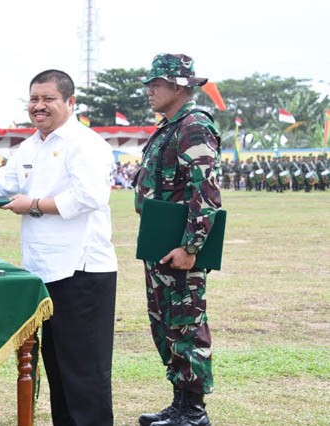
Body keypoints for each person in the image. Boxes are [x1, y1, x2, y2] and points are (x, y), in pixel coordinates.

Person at [0, 69, 118, 426]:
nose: (39, 107)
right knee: (57, 368)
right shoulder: (30, 146)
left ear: (70, 102)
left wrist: (35, 204)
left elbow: (90, 197)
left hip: (82, 270)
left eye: (48, 99)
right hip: (43, 272)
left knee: (84, 372)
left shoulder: (85, 143)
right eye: (34, 100)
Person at [134, 53, 221, 426]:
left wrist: (190, 248)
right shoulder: (168, 126)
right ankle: (179, 402)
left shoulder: (194, 125)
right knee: (166, 325)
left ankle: (194, 411)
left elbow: (206, 192)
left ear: (178, 86)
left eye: (156, 83)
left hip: (180, 247)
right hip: (160, 243)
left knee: (186, 326)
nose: (149, 89)